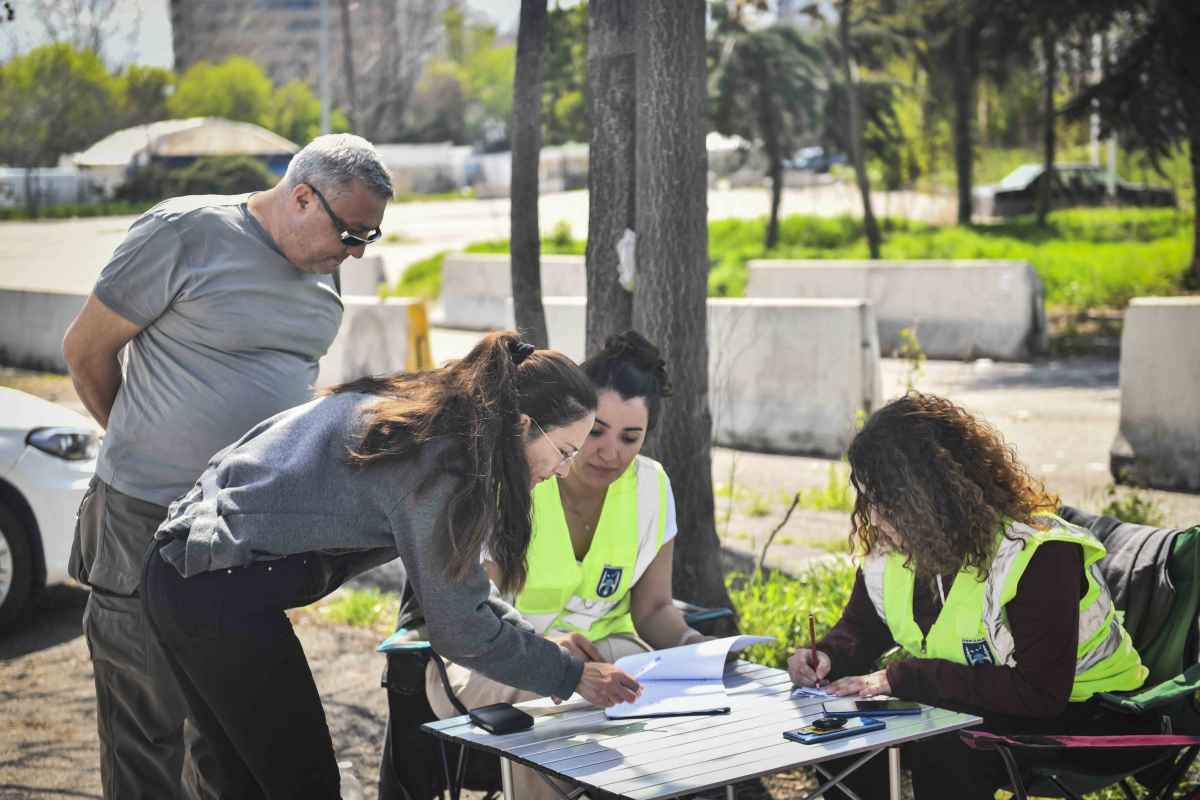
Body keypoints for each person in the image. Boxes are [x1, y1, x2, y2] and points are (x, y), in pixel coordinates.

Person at [140, 333, 644, 799]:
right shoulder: (443, 467)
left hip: (187, 568)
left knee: (248, 786)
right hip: (212, 582)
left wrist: (542, 649)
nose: (562, 471)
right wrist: (568, 674)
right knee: (305, 784)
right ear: (522, 426)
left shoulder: (431, 418)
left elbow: (462, 590)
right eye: (564, 451)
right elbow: (462, 632)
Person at [61, 132, 394, 799]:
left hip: (238, 532)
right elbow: (85, 350)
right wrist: (140, 444)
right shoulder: (183, 233)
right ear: (303, 198)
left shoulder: (322, 268)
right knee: (145, 732)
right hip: (142, 516)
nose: (357, 252)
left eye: (369, 236)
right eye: (352, 233)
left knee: (223, 739)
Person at [787, 393, 1150, 799]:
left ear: (931, 495)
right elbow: (863, 626)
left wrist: (905, 677)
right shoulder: (894, 547)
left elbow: (1041, 694)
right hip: (978, 700)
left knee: (947, 742)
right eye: (868, 499)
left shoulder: (1037, 554)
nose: (872, 518)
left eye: (886, 501)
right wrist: (828, 655)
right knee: (844, 727)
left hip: (1091, 714)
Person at [410, 330, 716, 800]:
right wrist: (549, 654)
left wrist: (697, 648)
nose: (610, 452)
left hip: (605, 651)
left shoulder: (652, 485)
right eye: (595, 432)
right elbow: (475, 616)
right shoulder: (516, 477)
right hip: (491, 656)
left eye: (630, 437)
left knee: (664, 694)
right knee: (552, 698)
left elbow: (654, 609)